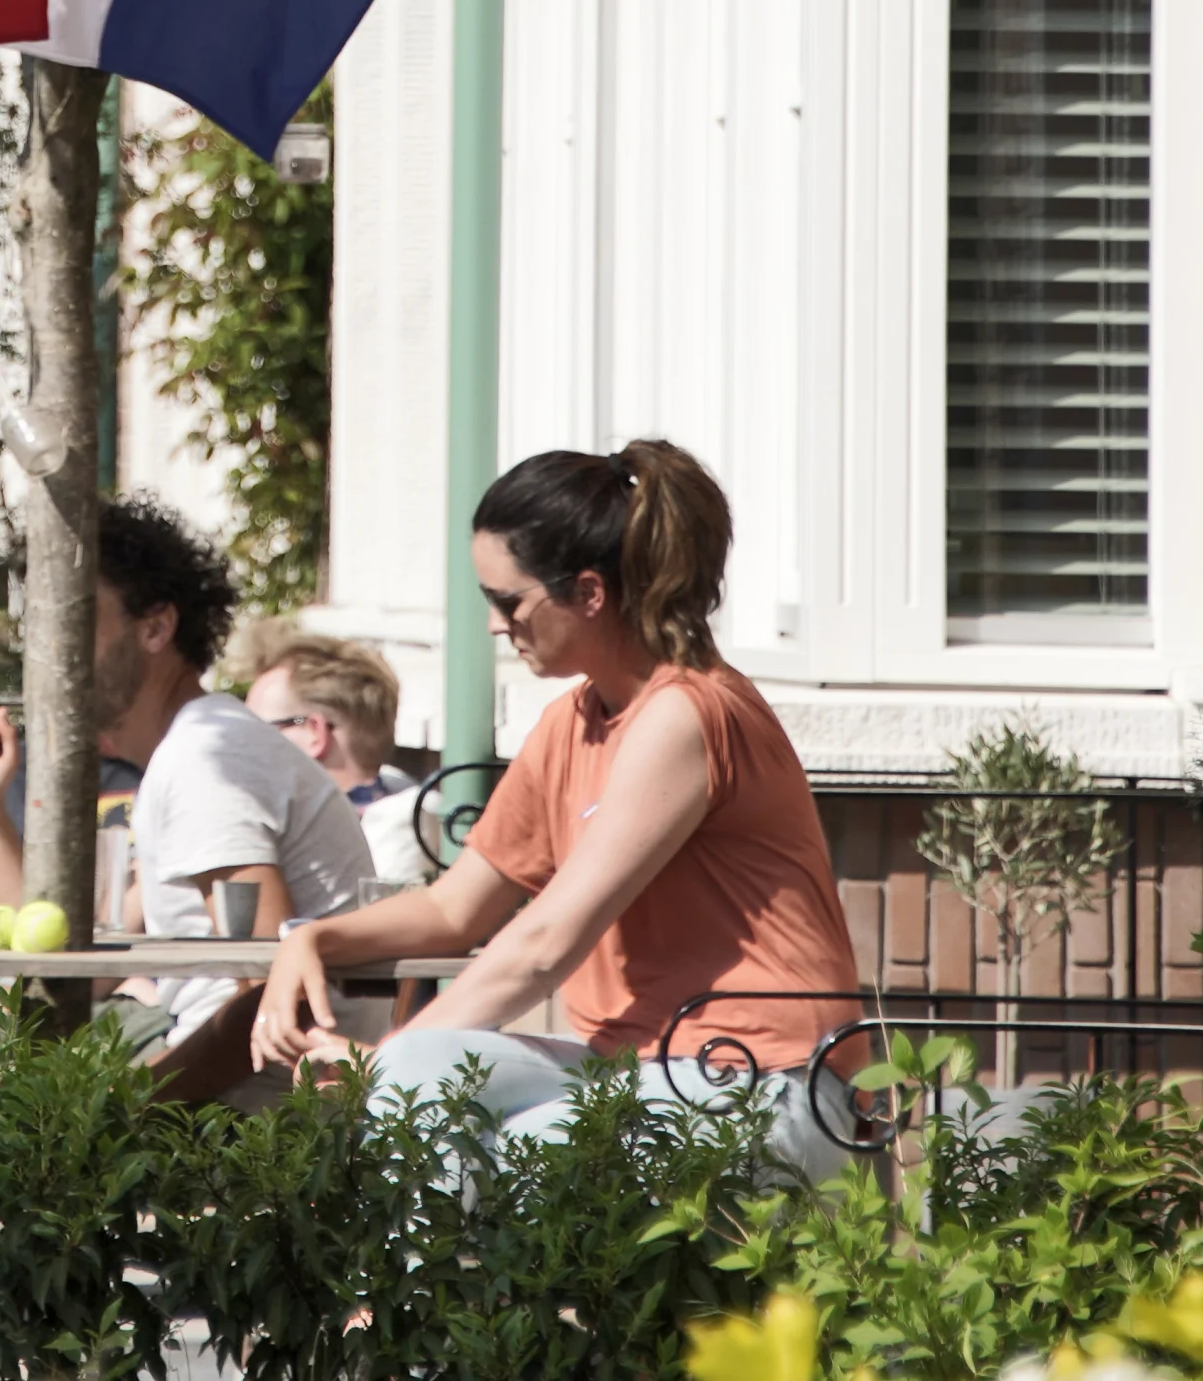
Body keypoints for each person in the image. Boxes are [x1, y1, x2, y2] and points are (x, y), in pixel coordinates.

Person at [252, 442, 864, 1183]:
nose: (493, 625)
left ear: (589, 594)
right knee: (432, 1074)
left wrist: (379, 1070)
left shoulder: (685, 715)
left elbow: (544, 945)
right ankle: (395, 1300)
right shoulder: (570, 723)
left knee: (469, 1120)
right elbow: (455, 912)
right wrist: (312, 942)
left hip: (769, 1087)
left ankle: (389, 1301)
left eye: (508, 602)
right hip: (643, 1073)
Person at [0, 497, 379, 1075]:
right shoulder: (191, 750)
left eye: (72, 621)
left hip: (242, 1108)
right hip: (177, 1042)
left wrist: (131, 1110)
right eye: (37, 627)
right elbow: (80, 968)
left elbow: (273, 996)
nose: (47, 654)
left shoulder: (206, 763)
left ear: (155, 628)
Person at [244, 626, 434, 890]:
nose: (241, 744)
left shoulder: (381, 835)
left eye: (254, 728)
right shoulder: (405, 813)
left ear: (314, 733)